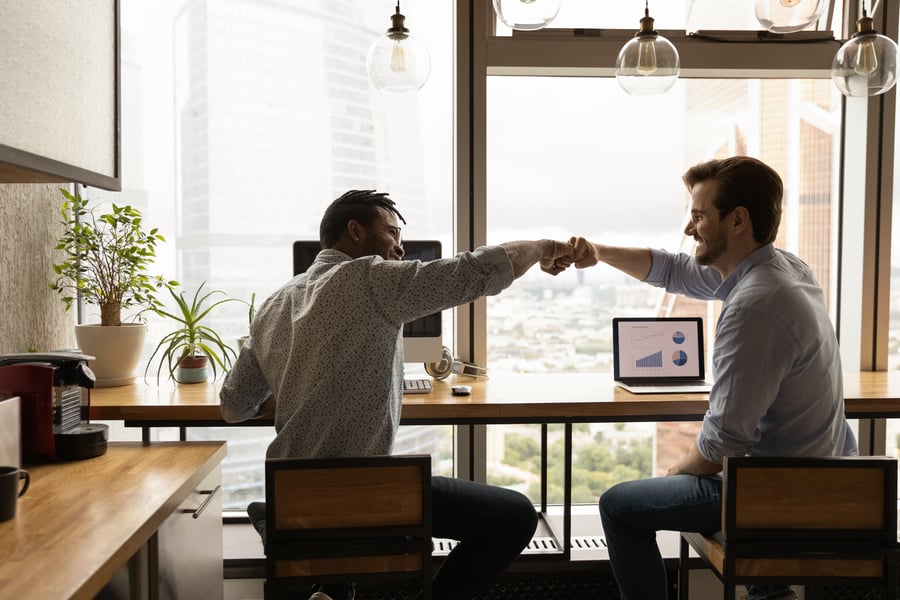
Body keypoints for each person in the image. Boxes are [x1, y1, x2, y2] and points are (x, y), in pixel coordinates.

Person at [220, 189, 573, 600]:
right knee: (514, 517)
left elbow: (234, 405)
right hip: (361, 495)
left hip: (294, 501)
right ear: (355, 232)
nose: (401, 247)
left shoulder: (273, 303)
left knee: (340, 531)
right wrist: (546, 247)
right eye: (392, 232)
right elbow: (476, 270)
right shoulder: (371, 279)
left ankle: (330, 591)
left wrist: (296, 385)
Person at [568, 156, 858, 600]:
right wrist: (600, 252)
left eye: (699, 215)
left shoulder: (753, 306)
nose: (689, 228)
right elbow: (674, 270)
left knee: (619, 507)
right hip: (820, 477)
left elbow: (722, 444)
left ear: (738, 219)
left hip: (775, 494)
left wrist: (676, 471)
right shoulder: (784, 269)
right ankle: (771, 591)